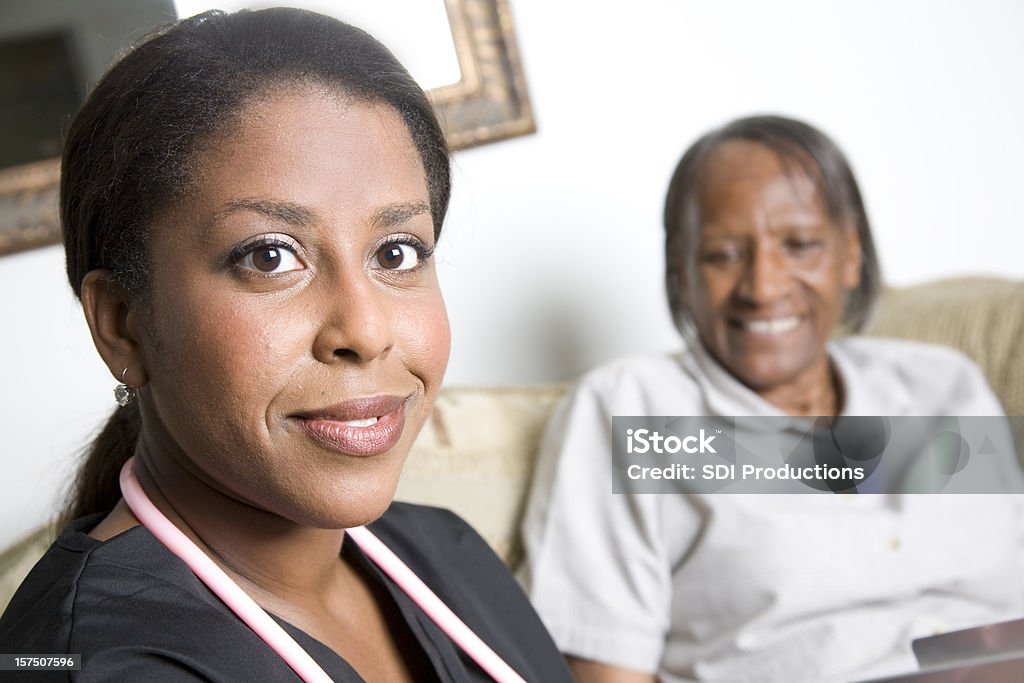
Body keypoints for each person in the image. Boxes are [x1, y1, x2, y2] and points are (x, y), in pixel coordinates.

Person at [0, 8, 573, 682]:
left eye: (397, 250)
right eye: (270, 256)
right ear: (123, 323)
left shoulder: (443, 551)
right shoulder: (91, 665)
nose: (363, 330)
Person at [520, 115, 1024, 683]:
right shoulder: (628, 409)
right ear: (681, 272)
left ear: (851, 254)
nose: (763, 287)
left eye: (801, 245)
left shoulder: (944, 386)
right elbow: (606, 673)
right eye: (723, 254)